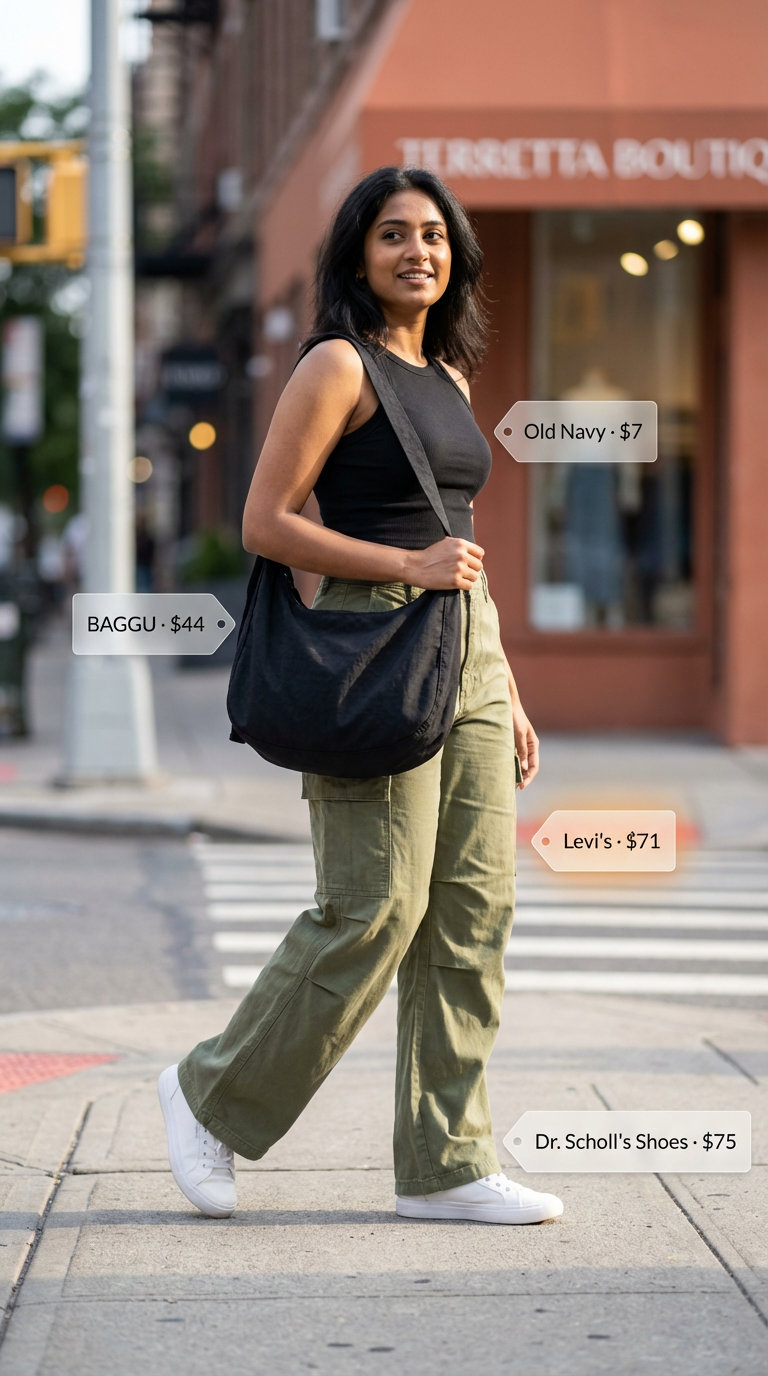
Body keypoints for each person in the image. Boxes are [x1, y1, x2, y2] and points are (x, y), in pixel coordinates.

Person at [159, 166, 563, 1226]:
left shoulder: (451, 378)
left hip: (464, 649)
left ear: (454, 256)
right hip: (368, 639)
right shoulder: (336, 364)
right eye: (393, 235)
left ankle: (446, 1160)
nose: (417, 251)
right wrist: (409, 569)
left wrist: (505, 683)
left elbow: (462, 546)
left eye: (433, 235)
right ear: (357, 255)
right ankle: (209, 1093)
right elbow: (263, 520)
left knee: (475, 910)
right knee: (375, 906)